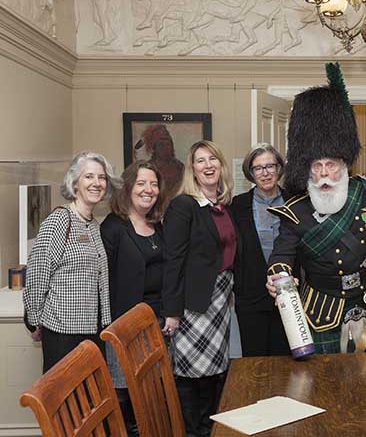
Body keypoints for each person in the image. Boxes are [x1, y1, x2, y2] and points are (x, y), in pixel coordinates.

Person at [266, 63, 366, 354]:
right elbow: (281, 255)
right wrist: (277, 276)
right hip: (322, 311)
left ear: (345, 165)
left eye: (332, 166)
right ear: (307, 169)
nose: (325, 174)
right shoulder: (295, 210)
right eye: (317, 166)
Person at [162, 140, 236, 437]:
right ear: (192, 169)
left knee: (215, 371)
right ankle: (192, 431)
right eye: (200, 161)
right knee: (191, 373)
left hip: (220, 300)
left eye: (213, 159)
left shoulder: (222, 205)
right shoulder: (184, 205)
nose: (208, 166)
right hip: (194, 304)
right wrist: (171, 311)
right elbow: (173, 260)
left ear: (220, 164)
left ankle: (209, 428)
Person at [23, 151, 121, 373]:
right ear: (74, 183)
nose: (96, 183)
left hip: (91, 331)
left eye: (102, 177)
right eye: (89, 177)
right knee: (64, 403)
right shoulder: (59, 220)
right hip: (62, 333)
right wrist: (35, 321)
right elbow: (37, 275)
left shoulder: (94, 225)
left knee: (90, 402)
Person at [100, 160, 166, 435]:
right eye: (141, 183)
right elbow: (103, 282)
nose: (148, 190)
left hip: (158, 325)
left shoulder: (158, 224)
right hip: (124, 327)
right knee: (125, 393)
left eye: (153, 184)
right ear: (127, 187)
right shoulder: (113, 227)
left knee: (153, 392)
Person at [231, 143, 290, 356]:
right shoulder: (238, 205)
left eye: (270, 166)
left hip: (288, 296)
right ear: (251, 172)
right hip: (250, 298)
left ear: (279, 169)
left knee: (286, 363)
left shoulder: (294, 201)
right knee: (254, 365)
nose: (265, 173)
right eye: (258, 168)